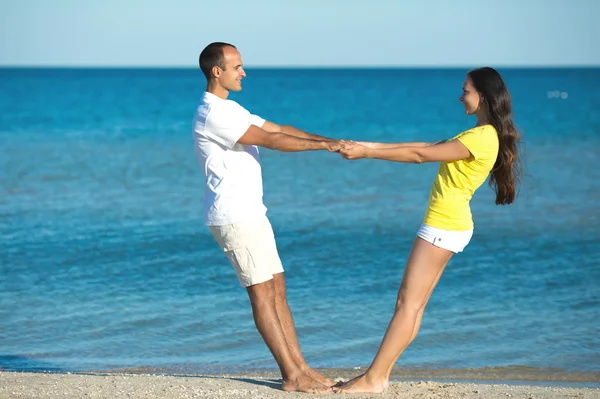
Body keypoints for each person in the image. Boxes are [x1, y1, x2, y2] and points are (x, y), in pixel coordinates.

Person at [335, 67, 522, 394]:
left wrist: (366, 153)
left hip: (443, 225)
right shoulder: (482, 134)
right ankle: (380, 376)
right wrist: (369, 146)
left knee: (407, 304)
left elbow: (421, 155)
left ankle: (373, 378)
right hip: (451, 225)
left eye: (466, 90)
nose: (460, 96)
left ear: (483, 97)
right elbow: (425, 145)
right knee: (413, 305)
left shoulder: (480, 137)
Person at [192, 42, 342, 393]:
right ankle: (292, 376)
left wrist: (331, 140)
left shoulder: (231, 108)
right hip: (234, 216)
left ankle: (301, 368)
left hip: (252, 213)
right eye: (237, 66)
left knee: (277, 290)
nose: (244, 72)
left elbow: (281, 128)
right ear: (218, 71)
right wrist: (324, 147)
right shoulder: (212, 113)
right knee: (262, 294)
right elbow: (272, 140)